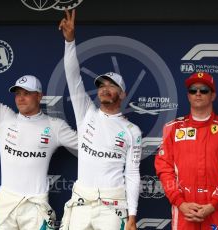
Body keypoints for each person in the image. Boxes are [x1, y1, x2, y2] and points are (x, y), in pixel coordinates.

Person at [0, 31, 78, 230]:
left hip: (36, 206)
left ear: (39, 96)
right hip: (6, 203)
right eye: (17, 94)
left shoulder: (54, 126)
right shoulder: (3, 117)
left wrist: (110, 124)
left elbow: (88, 145)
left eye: (27, 93)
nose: (20, 98)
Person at [58, 10, 142, 230]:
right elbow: (72, 76)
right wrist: (69, 42)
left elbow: (132, 174)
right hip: (81, 202)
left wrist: (132, 216)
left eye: (111, 86)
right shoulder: (86, 112)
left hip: (112, 206)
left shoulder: (132, 130)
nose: (105, 89)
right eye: (101, 86)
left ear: (122, 94)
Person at [155, 72, 218, 230]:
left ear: (213, 96)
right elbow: (164, 170)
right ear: (188, 96)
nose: (198, 93)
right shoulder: (172, 128)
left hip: (215, 209)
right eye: (193, 90)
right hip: (183, 209)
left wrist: (213, 204)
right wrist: (180, 203)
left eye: (204, 90)